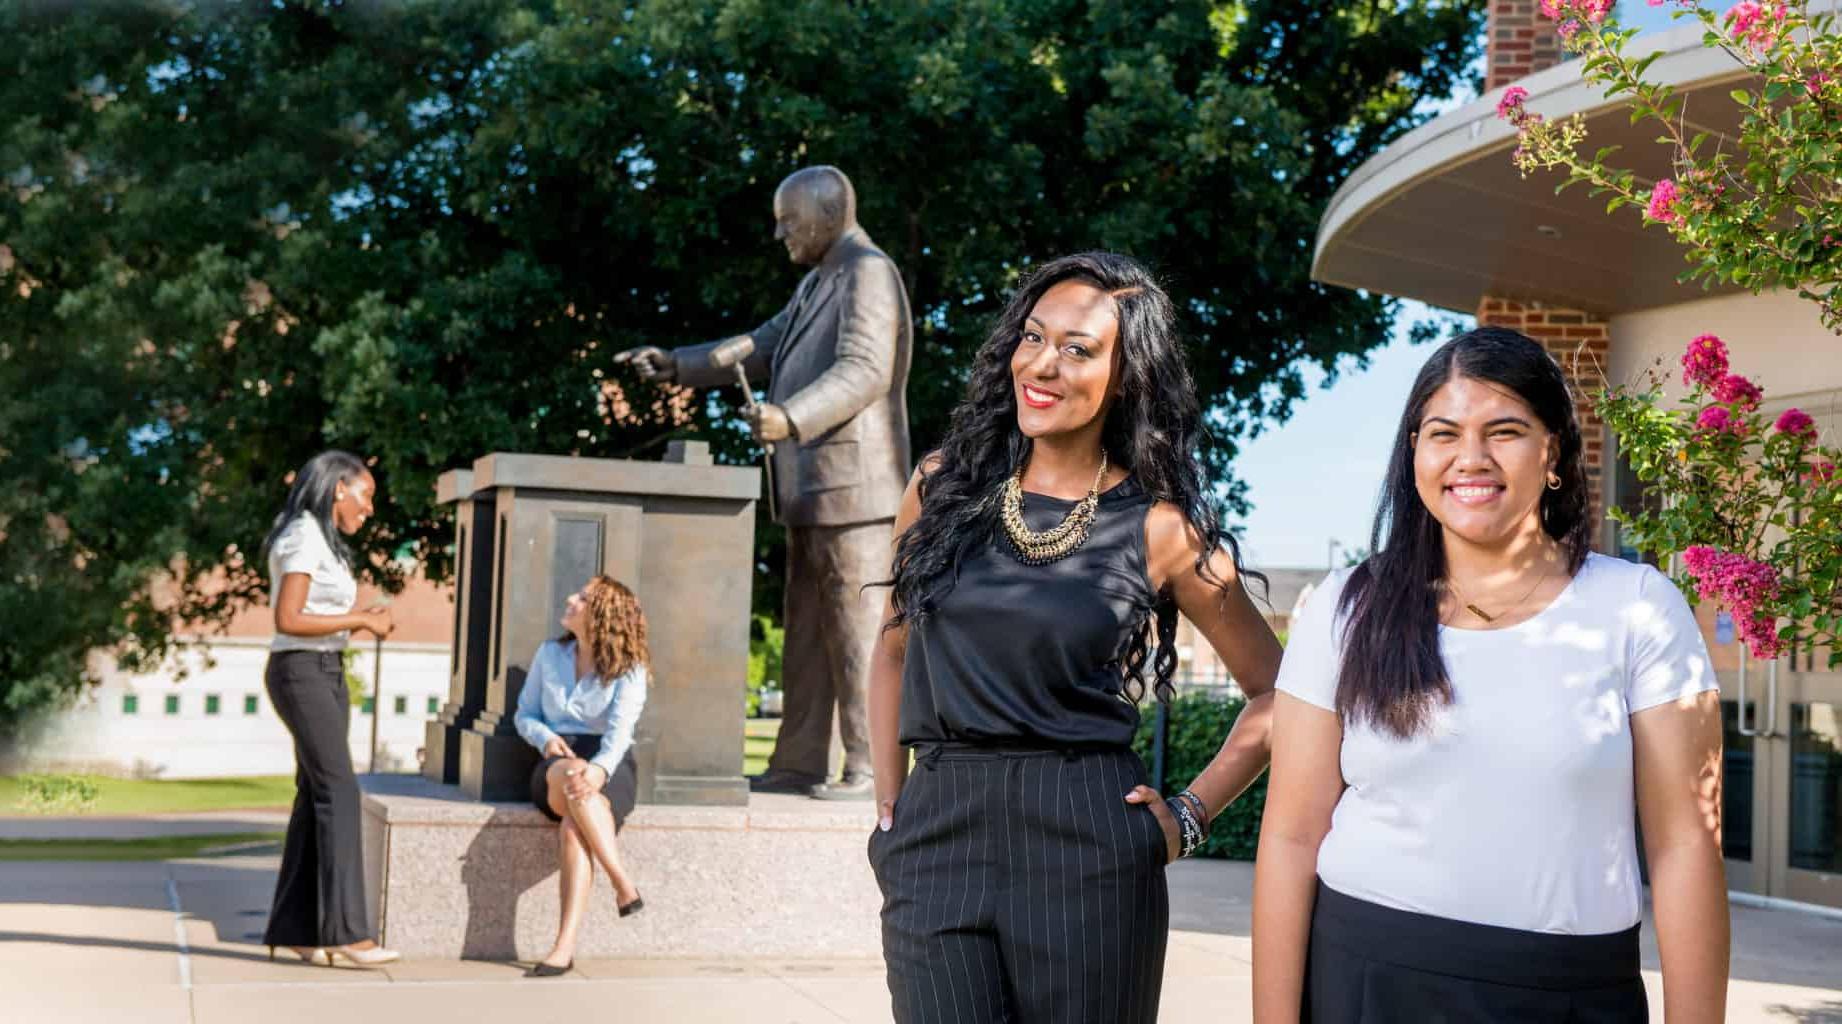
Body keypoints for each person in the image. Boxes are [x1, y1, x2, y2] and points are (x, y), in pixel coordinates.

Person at [1252, 327, 1729, 1022]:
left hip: (1567, 994)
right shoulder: (1344, 607)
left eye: (1504, 430)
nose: (1470, 458)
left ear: (1554, 453)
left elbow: (1686, 845)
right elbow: (1291, 837)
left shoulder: (1637, 608)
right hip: (1362, 981)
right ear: (1413, 452)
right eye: (1442, 433)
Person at [867, 252, 1284, 1023]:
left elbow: (1281, 696)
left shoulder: (1162, 529)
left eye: (1078, 348)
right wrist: (892, 802)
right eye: (1033, 338)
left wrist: (1189, 814)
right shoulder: (939, 488)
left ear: (1127, 376)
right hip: (939, 829)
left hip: (1087, 835)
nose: (1044, 364)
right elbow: (893, 649)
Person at [616, 165, 911, 800]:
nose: (779, 233)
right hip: (811, 490)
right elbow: (755, 347)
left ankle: (871, 768)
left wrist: (789, 417)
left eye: (789, 220)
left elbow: (866, 370)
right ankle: (800, 759)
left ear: (829, 215)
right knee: (807, 628)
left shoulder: (868, 272)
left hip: (856, 490)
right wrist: (676, 366)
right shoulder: (817, 283)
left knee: (859, 628)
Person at [260, 450, 400, 968]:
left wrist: (355, 620)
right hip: (299, 671)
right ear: (339, 487)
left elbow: (316, 613)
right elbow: (288, 618)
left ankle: (295, 930)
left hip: (326, 672)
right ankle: (347, 934)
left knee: (314, 794)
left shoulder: (323, 540)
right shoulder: (302, 534)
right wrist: (361, 618)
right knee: (339, 791)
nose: (369, 509)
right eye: (366, 496)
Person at [514, 575, 650, 977]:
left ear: (602, 614)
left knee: (575, 827)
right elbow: (525, 714)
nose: (571, 599)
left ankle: (563, 946)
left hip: (610, 762)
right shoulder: (549, 654)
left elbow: (620, 733)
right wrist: (545, 739)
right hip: (557, 760)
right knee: (572, 776)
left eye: (583, 597)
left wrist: (600, 769)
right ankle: (622, 883)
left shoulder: (630, 668)